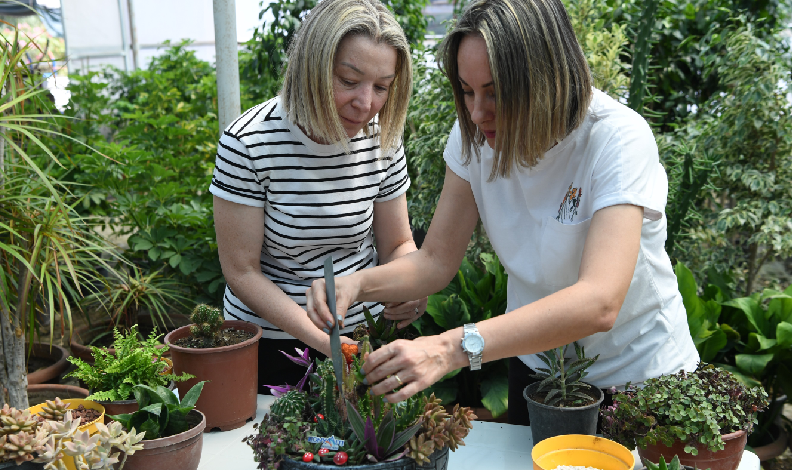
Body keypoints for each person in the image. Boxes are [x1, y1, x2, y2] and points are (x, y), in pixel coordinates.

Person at [305, 0, 700, 426]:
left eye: (495, 92)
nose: (477, 112)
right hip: (538, 372)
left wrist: (446, 349)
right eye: (468, 90)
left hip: (638, 379)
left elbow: (599, 302)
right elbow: (436, 260)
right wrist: (357, 285)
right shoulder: (475, 135)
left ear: (547, 77)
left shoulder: (616, 140)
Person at [209, 0, 427, 394]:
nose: (366, 104)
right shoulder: (249, 142)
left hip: (364, 335)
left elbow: (397, 243)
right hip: (273, 342)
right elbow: (242, 271)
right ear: (312, 65)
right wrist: (325, 341)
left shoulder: (382, 137)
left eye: (382, 87)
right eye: (348, 80)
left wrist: (411, 286)